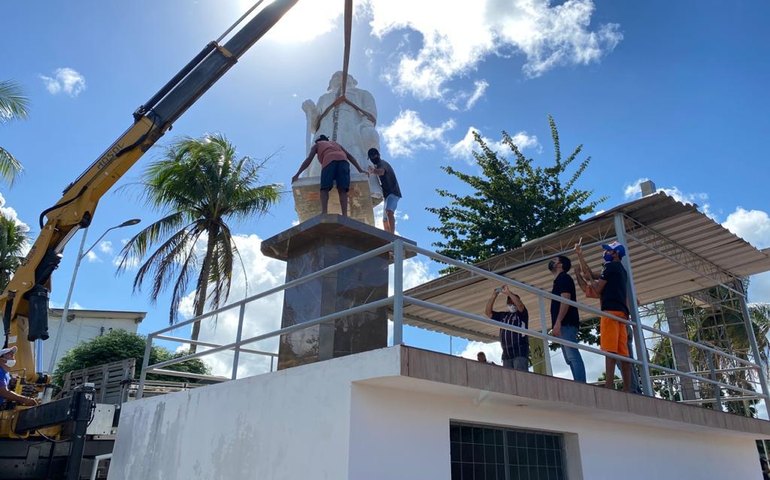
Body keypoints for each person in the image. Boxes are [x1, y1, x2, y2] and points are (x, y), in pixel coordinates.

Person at [301, 71, 382, 202]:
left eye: (343, 76)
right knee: (320, 167)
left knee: (352, 162)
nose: (339, 78)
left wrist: (367, 131)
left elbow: (371, 116)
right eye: (335, 77)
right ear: (329, 84)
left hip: (351, 132)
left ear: (353, 80)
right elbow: (314, 126)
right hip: (325, 135)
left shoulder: (363, 94)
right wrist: (310, 112)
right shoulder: (323, 98)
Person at [575, 240, 633, 391]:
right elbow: (589, 273)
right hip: (622, 314)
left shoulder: (609, 267)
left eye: (608, 251)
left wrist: (592, 282)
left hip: (610, 312)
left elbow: (597, 287)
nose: (606, 253)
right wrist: (580, 255)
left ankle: (608, 386)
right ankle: (628, 388)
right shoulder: (620, 269)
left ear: (616, 253)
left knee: (610, 351)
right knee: (623, 354)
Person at [292, 135, 367, 217]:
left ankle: (324, 212)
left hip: (329, 161)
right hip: (343, 161)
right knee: (343, 190)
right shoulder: (335, 144)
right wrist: (360, 170)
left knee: (324, 189)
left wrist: (298, 174)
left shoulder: (317, 145)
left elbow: (309, 160)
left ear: (318, 141)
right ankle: (345, 215)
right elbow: (350, 156)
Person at [548, 255, 586, 383]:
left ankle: (581, 383)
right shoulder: (560, 280)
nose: (552, 262)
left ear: (560, 265)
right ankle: (579, 382)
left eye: (555, 260)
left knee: (572, 356)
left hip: (566, 323)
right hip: (564, 323)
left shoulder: (563, 278)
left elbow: (565, 299)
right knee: (569, 358)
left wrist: (558, 321)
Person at [485, 285, 529, 371]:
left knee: (520, 378)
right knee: (509, 381)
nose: (512, 304)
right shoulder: (503, 315)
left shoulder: (522, 314)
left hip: (519, 352)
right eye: (509, 301)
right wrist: (494, 296)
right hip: (506, 354)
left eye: (514, 301)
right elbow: (488, 313)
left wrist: (509, 293)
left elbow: (520, 306)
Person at [367, 148, 401, 234]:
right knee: (385, 219)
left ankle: (392, 235)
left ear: (377, 155)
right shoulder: (379, 164)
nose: (372, 159)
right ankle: (388, 237)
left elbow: (381, 172)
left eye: (373, 156)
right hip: (387, 194)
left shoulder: (382, 163)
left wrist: (373, 171)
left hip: (393, 192)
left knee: (389, 212)